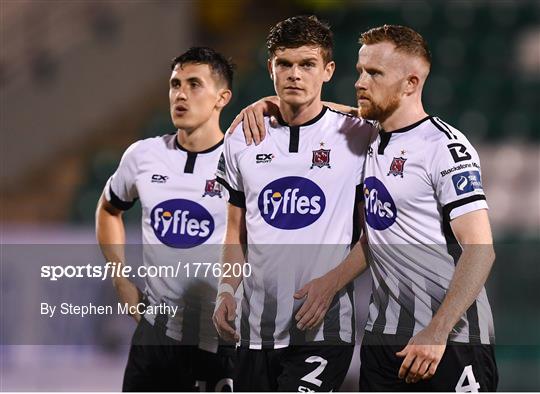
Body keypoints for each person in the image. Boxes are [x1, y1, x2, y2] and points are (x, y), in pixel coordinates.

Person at [232, 24, 498, 391]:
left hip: (450, 340)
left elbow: (481, 251)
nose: (360, 82)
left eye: (374, 73)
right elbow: (320, 114)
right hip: (382, 340)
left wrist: (437, 331)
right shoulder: (365, 138)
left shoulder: (445, 147)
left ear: (411, 83)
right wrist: (272, 102)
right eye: (360, 71)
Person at [212, 15, 373, 392]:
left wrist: (332, 283)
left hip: (323, 329)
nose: (294, 74)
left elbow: (376, 235)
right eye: (284, 64)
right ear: (271, 68)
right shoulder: (241, 138)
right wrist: (225, 290)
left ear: (328, 70)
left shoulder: (359, 135)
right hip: (254, 331)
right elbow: (235, 233)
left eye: (307, 65)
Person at [95, 47, 236, 392]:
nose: (181, 94)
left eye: (194, 84)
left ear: (222, 98)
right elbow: (109, 208)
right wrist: (121, 281)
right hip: (154, 337)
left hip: (219, 338)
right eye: (175, 84)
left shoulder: (243, 160)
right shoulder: (144, 155)